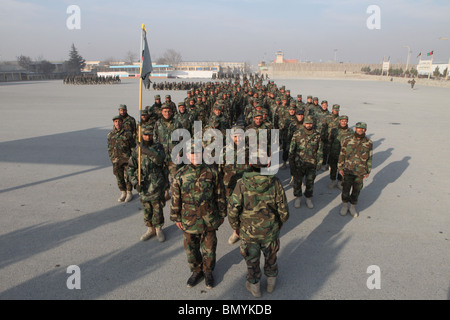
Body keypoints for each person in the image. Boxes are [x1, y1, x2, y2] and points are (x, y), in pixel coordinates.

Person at [228, 160, 289, 297]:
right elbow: (284, 211)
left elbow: (232, 211)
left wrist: (236, 228)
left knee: (252, 261)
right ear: (268, 165)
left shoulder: (241, 184)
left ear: (250, 165)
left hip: (249, 233)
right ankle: (270, 284)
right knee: (271, 258)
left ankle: (255, 287)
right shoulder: (275, 182)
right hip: (270, 231)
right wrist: (279, 224)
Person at [170, 140, 227, 289]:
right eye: (192, 153)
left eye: (198, 153)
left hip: (209, 218)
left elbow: (220, 194)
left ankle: (208, 271)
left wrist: (222, 214)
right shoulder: (180, 174)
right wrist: (176, 217)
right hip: (189, 219)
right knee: (191, 247)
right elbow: (176, 197)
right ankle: (196, 271)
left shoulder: (212, 172)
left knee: (209, 247)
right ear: (188, 155)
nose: (195, 156)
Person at [127, 127, 169, 242]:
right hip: (144, 184)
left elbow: (161, 159)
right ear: (142, 135)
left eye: (150, 135)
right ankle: (150, 229)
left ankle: (159, 228)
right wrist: (135, 183)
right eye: (145, 135)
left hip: (156, 183)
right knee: (147, 208)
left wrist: (147, 150)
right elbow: (131, 168)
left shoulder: (158, 147)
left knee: (157, 207)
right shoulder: (137, 150)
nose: (148, 137)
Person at [338, 122, 373, 218]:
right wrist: (340, 167)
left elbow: (370, 157)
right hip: (348, 170)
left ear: (365, 130)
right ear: (355, 129)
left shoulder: (368, 143)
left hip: (360, 171)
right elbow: (342, 154)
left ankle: (352, 207)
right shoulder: (347, 140)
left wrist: (368, 170)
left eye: (362, 129)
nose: (360, 130)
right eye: (358, 128)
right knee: (346, 189)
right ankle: (345, 206)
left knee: (356, 190)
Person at [288, 116, 323, 209]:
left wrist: (319, 162)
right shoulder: (297, 134)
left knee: (310, 182)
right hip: (299, 163)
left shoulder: (317, 135)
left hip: (311, 163)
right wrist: (291, 163)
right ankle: (298, 197)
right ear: (304, 124)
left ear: (313, 124)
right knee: (297, 181)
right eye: (307, 123)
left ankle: (308, 198)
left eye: (310, 123)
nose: (308, 125)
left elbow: (320, 150)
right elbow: (292, 149)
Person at [153, 104, 183, 200]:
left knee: (175, 176)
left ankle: (175, 194)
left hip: (174, 156)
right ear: (161, 112)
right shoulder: (158, 124)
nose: (167, 113)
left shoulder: (177, 123)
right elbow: (155, 139)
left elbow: (182, 139)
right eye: (165, 111)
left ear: (172, 112)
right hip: (162, 156)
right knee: (164, 176)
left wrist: (180, 153)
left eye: (169, 111)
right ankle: (166, 192)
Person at [107, 115, 134, 202]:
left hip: (126, 159)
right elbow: (110, 148)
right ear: (113, 123)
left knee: (128, 176)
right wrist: (112, 158)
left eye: (119, 121)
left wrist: (132, 158)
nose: (117, 123)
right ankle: (123, 192)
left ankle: (129, 192)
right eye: (115, 122)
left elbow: (133, 147)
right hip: (116, 160)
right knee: (119, 177)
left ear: (122, 122)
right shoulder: (110, 135)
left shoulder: (128, 134)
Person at [327, 115, 354, 189]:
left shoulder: (350, 132)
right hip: (334, 152)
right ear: (339, 121)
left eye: (345, 121)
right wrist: (328, 152)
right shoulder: (334, 130)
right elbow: (330, 141)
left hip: (344, 155)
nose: (343, 122)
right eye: (342, 121)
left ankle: (339, 182)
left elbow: (352, 144)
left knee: (342, 169)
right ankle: (332, 181)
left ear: (347, 122)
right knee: (333, 168)